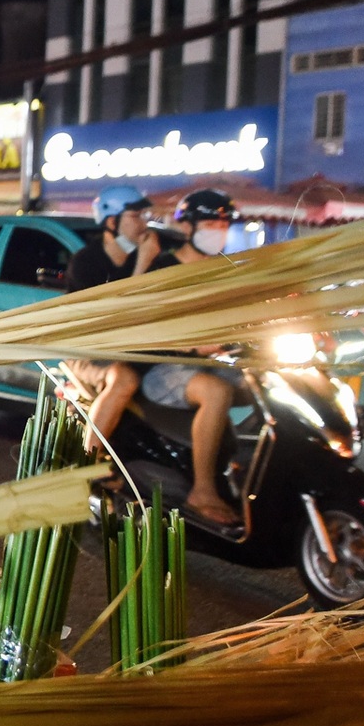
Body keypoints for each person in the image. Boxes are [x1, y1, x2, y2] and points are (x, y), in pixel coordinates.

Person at [139, 189, 242, 525]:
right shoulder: (165, 267)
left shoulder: (225, 270)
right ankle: (203, 490)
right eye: (211, 222)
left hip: (213, 362)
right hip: (166, 368)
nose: (219, 230)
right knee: (217, 392)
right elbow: (144, 321)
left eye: (224, 223)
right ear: (188, 228)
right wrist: (191, 346)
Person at [65, 186, 160, 452]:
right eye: (136, 216)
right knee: (124, 379)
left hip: (131, 347)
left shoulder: (146, 258)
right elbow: (111, 315)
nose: (144, 223)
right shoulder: (86, 262)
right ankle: (88, 462)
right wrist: (142, 265)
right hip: (85, 349)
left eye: (145, 215)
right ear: (111, 221)